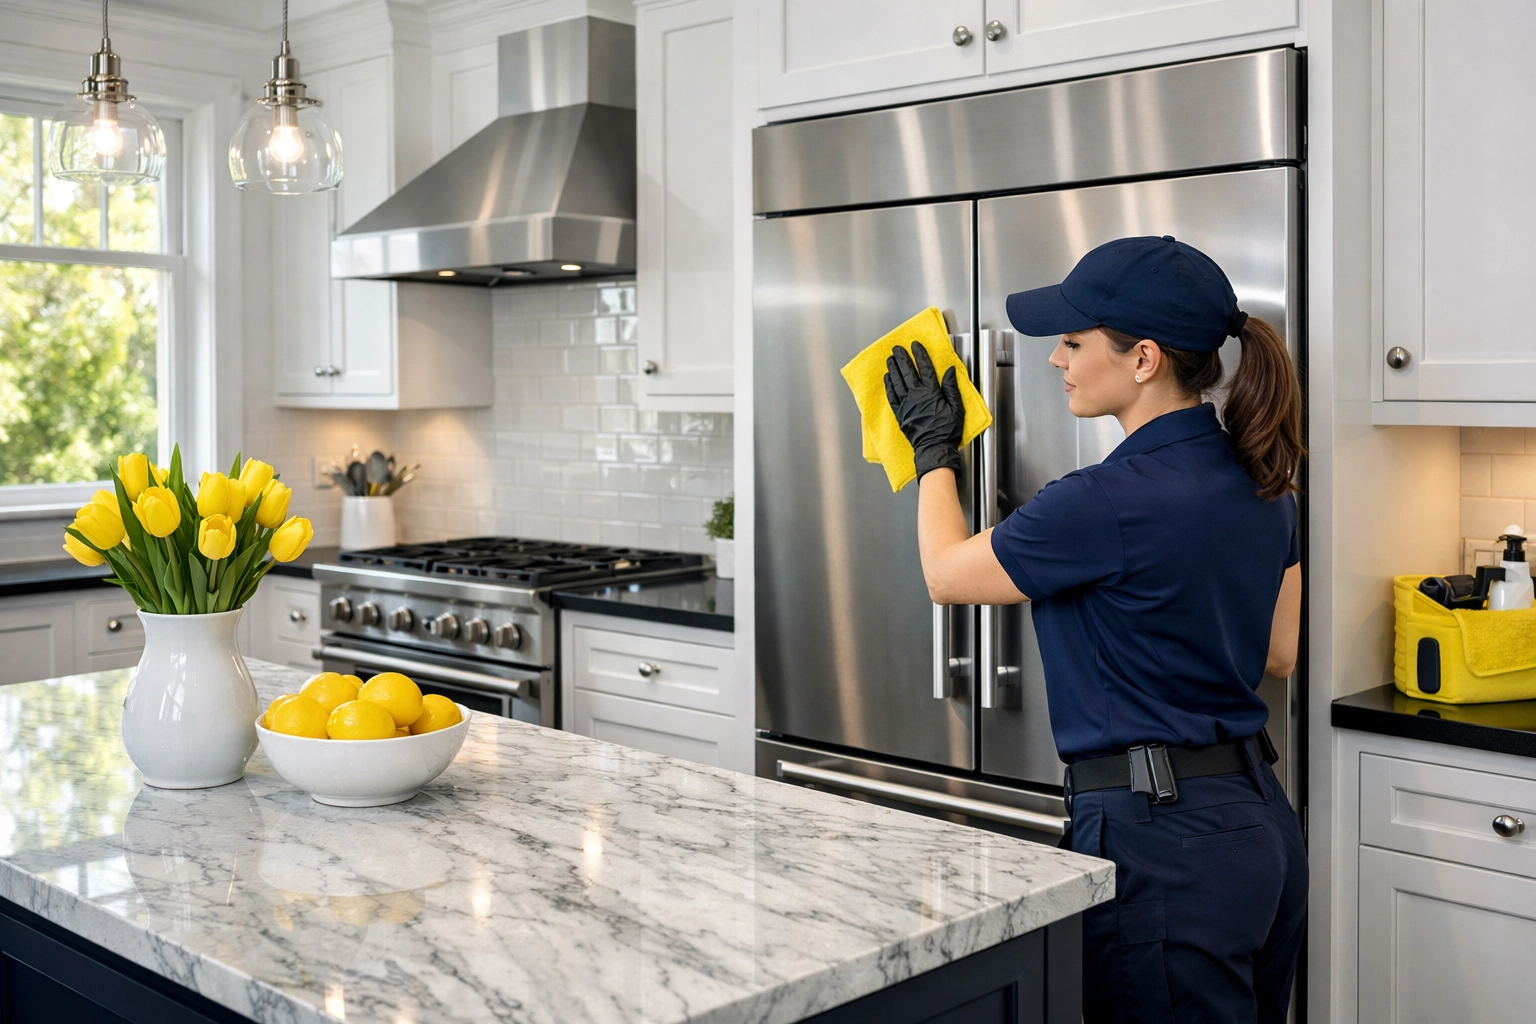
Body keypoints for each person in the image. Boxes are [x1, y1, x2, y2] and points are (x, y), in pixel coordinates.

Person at [883, 235, 1307, 1024]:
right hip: (1261, 833)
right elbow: (1279, 654)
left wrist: (933, 453)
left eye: (1074, 343)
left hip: (1159, 842)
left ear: (1144, 359)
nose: (1056, 359)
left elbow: (945, 575)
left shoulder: (1102, 499)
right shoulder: (1266, 481)